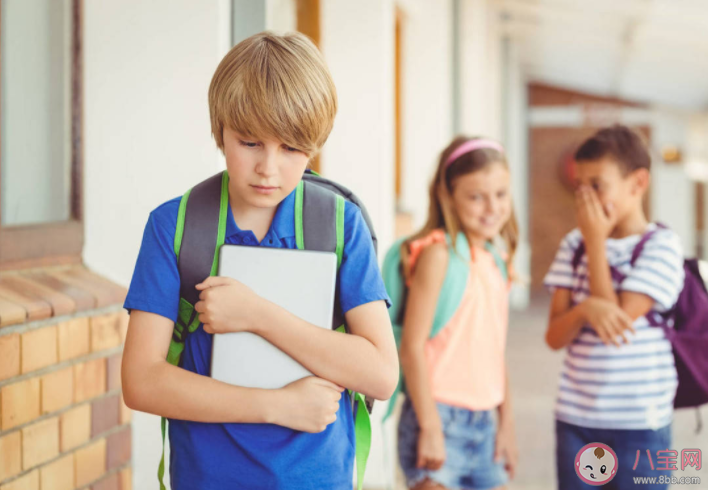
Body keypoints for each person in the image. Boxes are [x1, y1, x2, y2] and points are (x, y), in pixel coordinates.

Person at [121, 31, 398, 489]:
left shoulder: (339, 225)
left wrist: (257, 314)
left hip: (318, 478)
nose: (269, 168)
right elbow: (141, 382)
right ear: (221, 131)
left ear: (315, 143)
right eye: (250, 143)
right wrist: (277, 406)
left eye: (291, 148)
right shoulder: (174, 227)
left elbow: (382, 377)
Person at [544, 125, 685, 490]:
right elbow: (555, 336)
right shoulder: (572, 246)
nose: (585, 197)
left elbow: (615, 323)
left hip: (643, 425)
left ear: (637, 183)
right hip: (578, 420)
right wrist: (585, 309)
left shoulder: (663, 246)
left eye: (598, 185)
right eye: (580, 186)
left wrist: (595, 240)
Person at [396, 137, 519, 490]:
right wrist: (431, 428)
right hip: (438, 419)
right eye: (476, 196)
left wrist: (506, 424)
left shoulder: (498, 260)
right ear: (447, 196)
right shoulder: (439, 256)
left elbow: (496, 351)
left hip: (487, 425)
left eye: (501, 194)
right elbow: (411, 347)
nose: (491, 207)